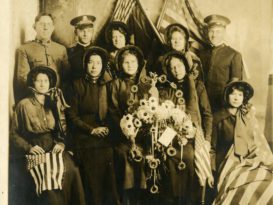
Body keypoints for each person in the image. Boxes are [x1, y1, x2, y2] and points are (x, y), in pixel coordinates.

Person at [10, 66, 85, 205]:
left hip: (54, 146)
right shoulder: (24, 105)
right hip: (36, 149)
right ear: (33, 83)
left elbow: (63, 130)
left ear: (50, 83)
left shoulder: (55, 103)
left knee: (71, 170)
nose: (43, 84)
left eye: (45, 80)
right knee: (49, 180)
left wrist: (62, 144)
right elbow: (14, 134)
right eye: (39, 81)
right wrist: (29, 148)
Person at [156, 51, 213, 205]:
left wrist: (207, 140)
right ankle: (173, 199)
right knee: (165, 155)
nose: (176, 70)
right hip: (170, 132)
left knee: (188, 156)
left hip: (193, 132)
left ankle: (188, 200)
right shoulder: (166, 88)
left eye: (179, 65)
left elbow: (207, 114)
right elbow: (163, 116)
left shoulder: (198, 86)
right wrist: (165, 138)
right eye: (172, 67)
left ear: (185, 66)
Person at [66, 47, 120, 205]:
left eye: (98, 63)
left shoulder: (107, 86)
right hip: (83, 134)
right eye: (91, 63)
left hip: (103, 134)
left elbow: (112, 112)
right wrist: (91, 130)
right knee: (93, 160)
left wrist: (108, 128)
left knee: (110, 154)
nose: (94, 66)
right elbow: (72, 116)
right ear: (85, 65)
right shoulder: (76, 86)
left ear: (103, 65)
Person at [211, 80, 273, 204]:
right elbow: (212, 148)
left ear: (244, 98)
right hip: (226, 161)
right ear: (227, 95)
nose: (236, 98)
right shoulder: (218, 118)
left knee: (267, 182)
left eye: (240, 95)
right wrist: (210, 172)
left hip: (247, 159)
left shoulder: (247, 116)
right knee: (244, 187)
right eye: (233, 94)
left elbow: (255, 141)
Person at [108, 45, 148, 205]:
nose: (130, 65)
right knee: (125, 156)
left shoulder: (147, 84)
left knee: (150, 155)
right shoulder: (115, 84)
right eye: (126, 62)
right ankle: (127, 200)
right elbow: (113, 109)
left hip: (145, 134)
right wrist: (127, 130)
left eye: (133, 62)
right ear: (121, 65)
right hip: (123, 135)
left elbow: (152, 109)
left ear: (138, 64)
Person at [14, 13, 70, 104]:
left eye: (48, 24)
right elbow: (23, 79)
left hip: (56, 100)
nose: (45, 27)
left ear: (53, 28)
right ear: (34, 27)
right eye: (42, 24)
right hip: (34, 100)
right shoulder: (24, 49)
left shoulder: (61, 49)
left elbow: (66, 77)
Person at [199, 14, 243, 112]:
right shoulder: (202, 54)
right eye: (211, 31)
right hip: (202, 102)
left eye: (218, 31)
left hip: (222, 105)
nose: (214, 35)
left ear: (224, 33)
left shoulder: (234, 54)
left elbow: (235, 84)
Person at [68, 15, 96, 81]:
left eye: (89, 31)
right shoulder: (69, 53)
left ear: (92, 32)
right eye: (81, 31)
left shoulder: (98, 51)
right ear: (75, 32)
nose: (85, 34)